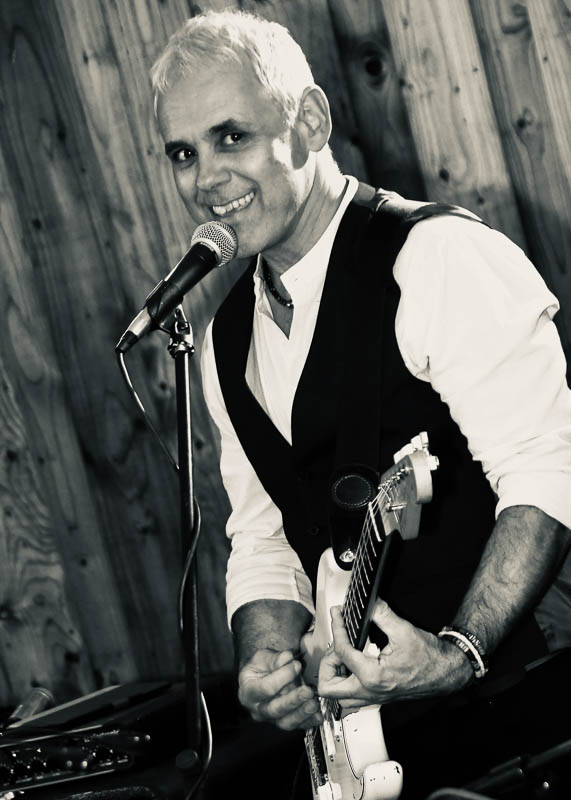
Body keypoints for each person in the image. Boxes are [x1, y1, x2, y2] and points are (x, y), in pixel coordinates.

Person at [150, 10, 571, 798]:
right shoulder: (222, 341)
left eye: (231, 137)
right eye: (184, 153)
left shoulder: (436, 258)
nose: (206, 178)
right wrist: (268, 658)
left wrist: (457, 652)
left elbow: (547, 470)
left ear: (309, 121)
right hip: (373, 730)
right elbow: (263, 536)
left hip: (524, 686)